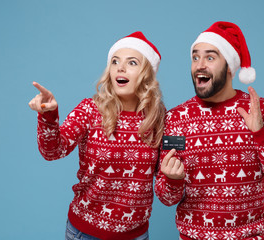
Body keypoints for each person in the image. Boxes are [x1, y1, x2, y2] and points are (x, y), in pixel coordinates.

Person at [155, 21, 264, 240]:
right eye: (195, 57)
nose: (199, 65)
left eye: (210, 58)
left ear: (230, 67)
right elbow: (165, 198)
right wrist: (173, 179)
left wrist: (260, 134)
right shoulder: (175, 119)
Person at [28, 31, 165, 240]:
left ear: (146, 74)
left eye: (132, 62)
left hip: (136, 235)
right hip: (86, 233)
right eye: (115, 61)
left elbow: (165, 183)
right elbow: (53, 151)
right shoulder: (90, 110)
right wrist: (48, 116)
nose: (120, 67)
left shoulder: (157, 118)